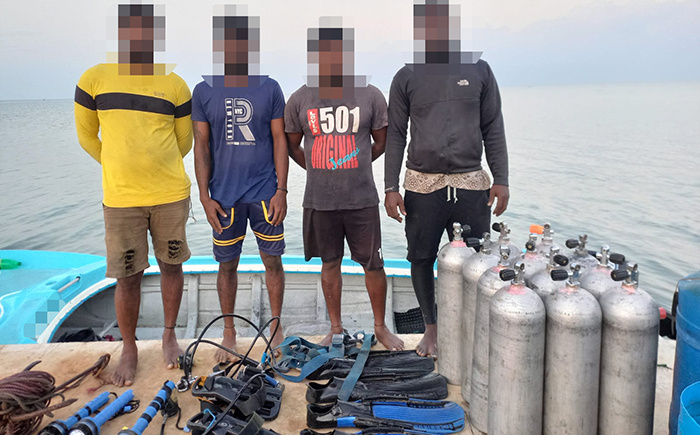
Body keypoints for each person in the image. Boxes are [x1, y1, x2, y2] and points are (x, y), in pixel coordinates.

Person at [74, 4, 193, 386]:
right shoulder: (94, 79)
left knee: (172, 266)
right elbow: (87, 136)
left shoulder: (175, 84)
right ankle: (129, 347)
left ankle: (169, 335)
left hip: (170, 194)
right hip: (121, 199)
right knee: (128, 276)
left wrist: (155, 168)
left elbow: (184, 142)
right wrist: (118, 166)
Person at [384, 0, 510, 357]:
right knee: (421, 258)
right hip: (422, 186)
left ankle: (473, 327)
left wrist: (501, 178)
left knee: (478, 260)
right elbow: (395, 135)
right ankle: (431, 328)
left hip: (471, 183)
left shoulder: (479, 70)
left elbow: (493, 126)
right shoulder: (406, 76)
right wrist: (391, 187)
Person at [285, 18, 404, 351]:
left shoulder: (370, 95)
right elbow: (292, 145)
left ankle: (380, 327)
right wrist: (320, 167)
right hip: (320, 200)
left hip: (362, 198)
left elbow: (381, 142)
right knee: (330, 263)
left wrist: (355, 162)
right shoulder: (300, 98)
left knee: (373, 263)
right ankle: (335, 328)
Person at [192, 6, 288, 362]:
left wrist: (282, 191)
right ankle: (229, 331)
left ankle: (275, 327)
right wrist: (204, 197)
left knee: (272, 261)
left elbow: (279, 139)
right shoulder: (204, 91)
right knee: (227, 265)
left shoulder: (269, 87)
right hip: (224, 197)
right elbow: (201, 146)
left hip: (265, 194)